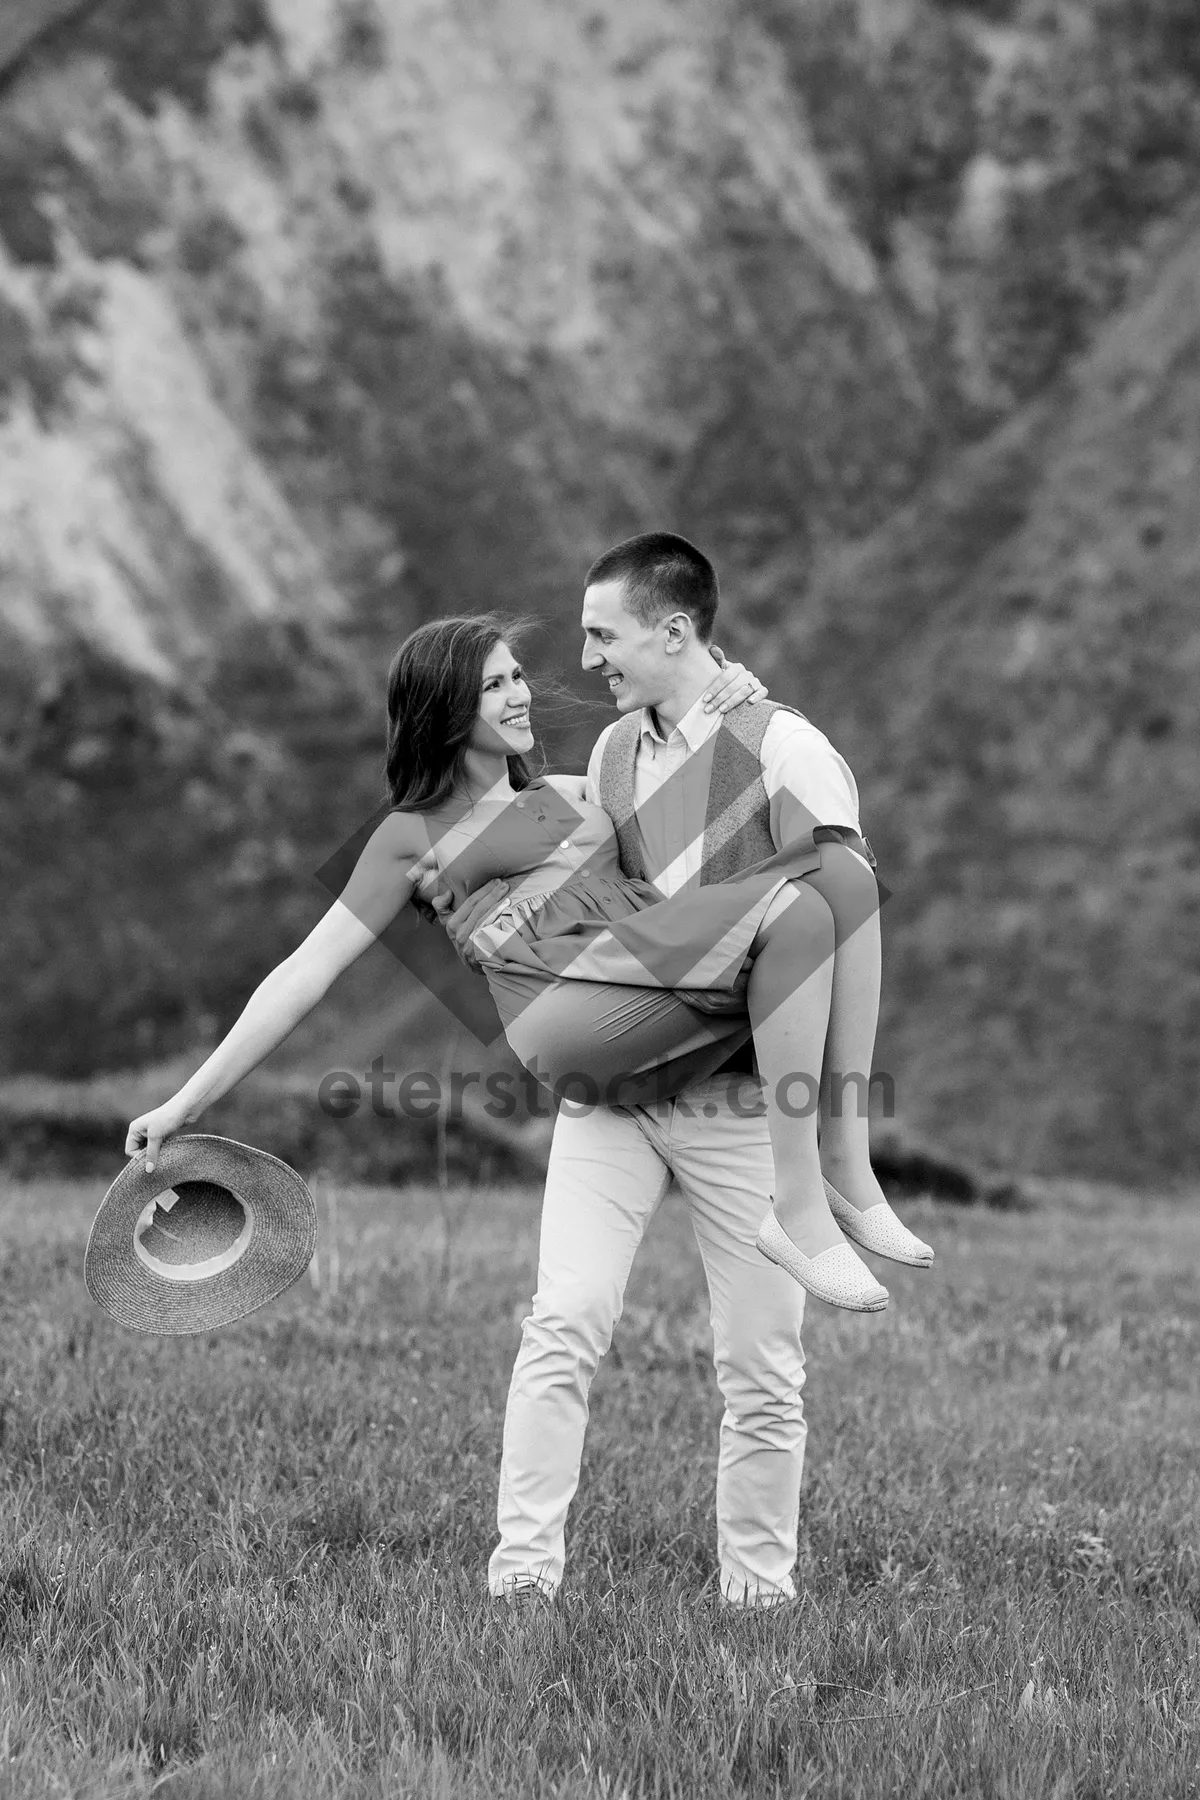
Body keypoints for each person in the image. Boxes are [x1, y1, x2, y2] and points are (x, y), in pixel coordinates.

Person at [430, 533, 931, 1607]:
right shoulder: (614, 754)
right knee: (561, 1324)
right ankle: (521, 1583)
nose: (588, 656)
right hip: (617, 1100)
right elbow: (575, 855)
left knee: (761, 1371)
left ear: (675, 630)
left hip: (745, 1106)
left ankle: (759, 1599)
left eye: (603, 634)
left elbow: (838, 921)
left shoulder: (788, 748)